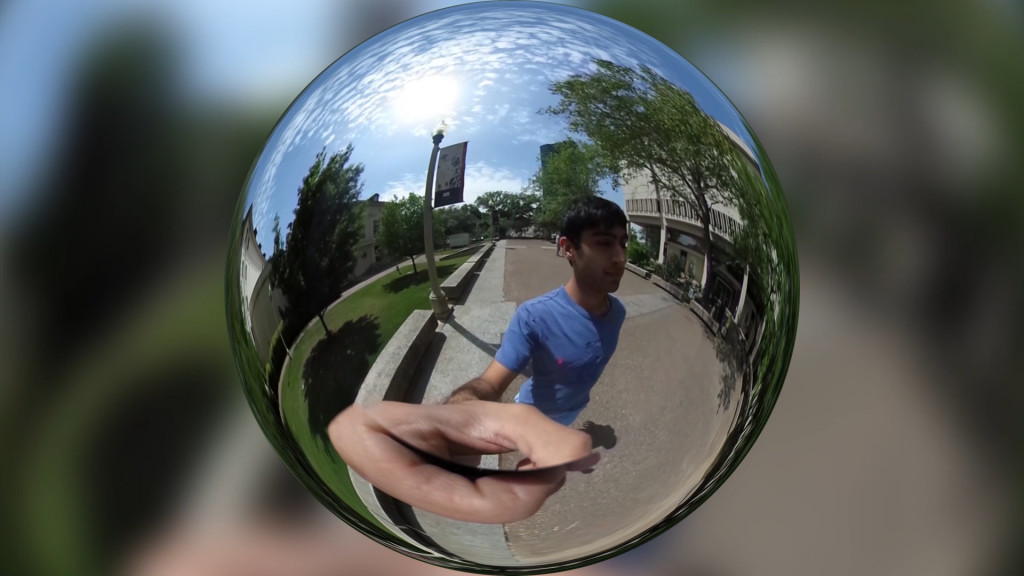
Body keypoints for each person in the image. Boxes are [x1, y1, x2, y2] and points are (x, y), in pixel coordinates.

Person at [446, 196, 629, 426]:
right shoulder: (534, 317)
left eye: (623, 244)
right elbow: (491, 383)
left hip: (575, 409)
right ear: (568, 249)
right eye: (604, 243)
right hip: (533, 417)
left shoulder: (618, 312)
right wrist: (454, 416)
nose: (620, 258)